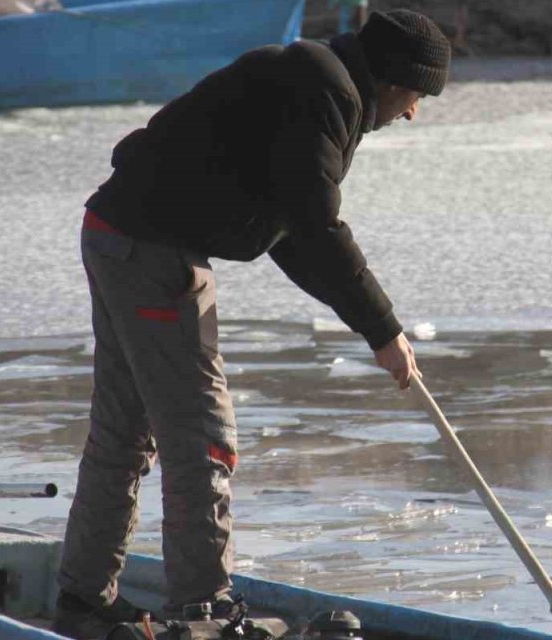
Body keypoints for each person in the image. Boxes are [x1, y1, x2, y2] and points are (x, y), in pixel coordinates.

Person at [53, 10, 449, 638]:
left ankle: (83, 599)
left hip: (118, 233)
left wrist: (372, 328)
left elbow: (291, 230)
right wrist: (383, 329)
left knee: (125, 431)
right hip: (153, 250)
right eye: (417, 96)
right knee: (202, 436)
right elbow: (317, 228)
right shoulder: (326, 90)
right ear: (397, 79)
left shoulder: (316, 81)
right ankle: (201, 610)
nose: (413, 113)